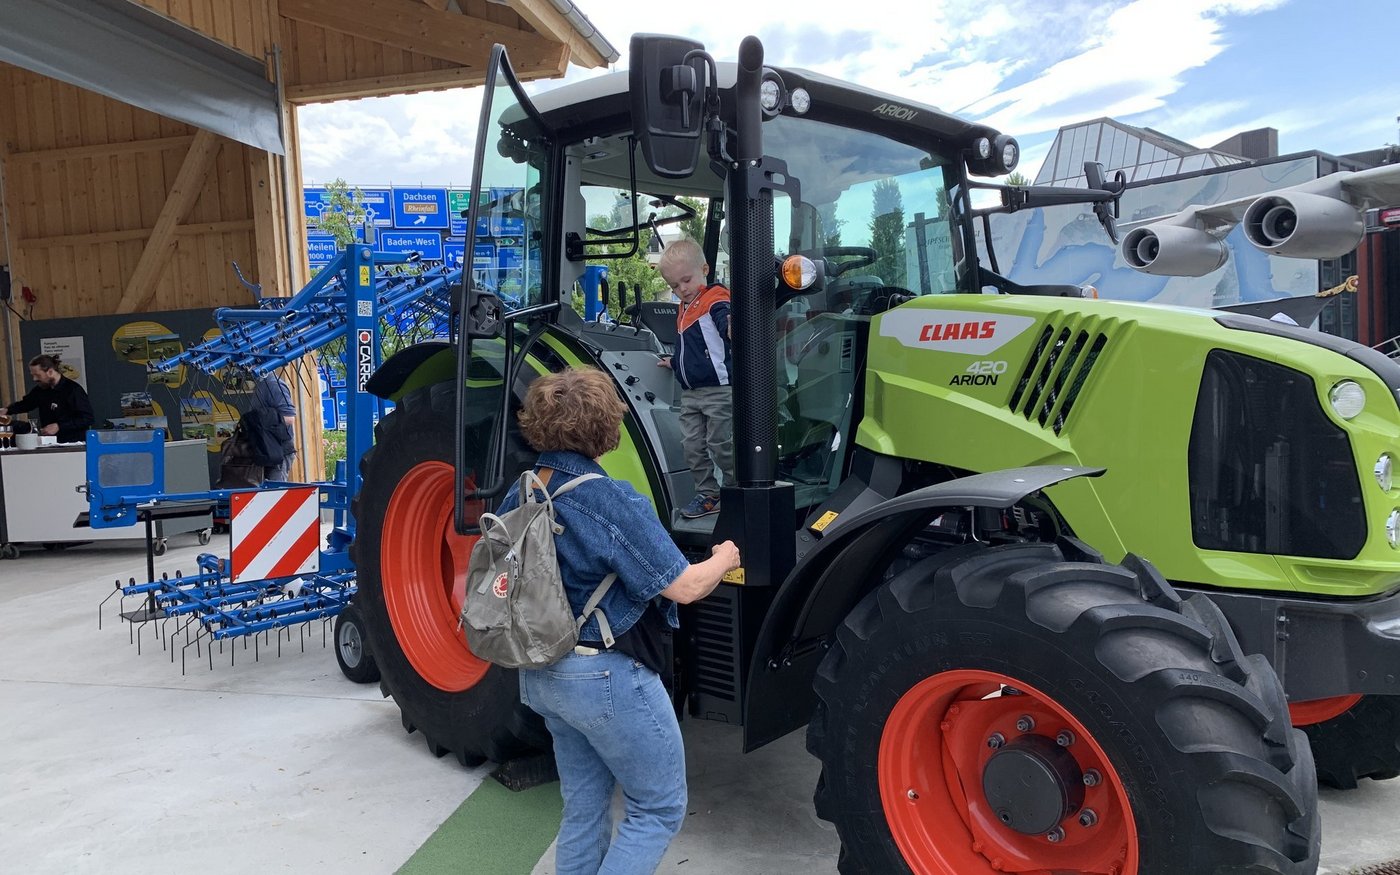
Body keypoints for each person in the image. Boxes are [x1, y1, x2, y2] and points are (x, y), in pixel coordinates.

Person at [502, 367, 741, 875]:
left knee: (584, 808)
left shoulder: (522, 491)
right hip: (603, 676)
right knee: (657, 810)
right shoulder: (609, 499)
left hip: (542, 672)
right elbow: (685, 587)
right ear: (606, 426)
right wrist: (724, 557)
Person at [655, 238, 735, 518]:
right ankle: (709, 493)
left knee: (721, 444)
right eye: (674, 286)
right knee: (691, 446)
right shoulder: (684, 307)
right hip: (690, 393)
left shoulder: (715, 298)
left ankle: (736, 488)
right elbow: (689, 346)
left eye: (686, 280)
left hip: (717, 390)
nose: (682, 289)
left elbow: (724, 320)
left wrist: (731, 326)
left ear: (705, 269)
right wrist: (675, 362)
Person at [0, 354, 95, 443]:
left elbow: (87, 418)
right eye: (33, 375)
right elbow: (27, 404)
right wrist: (7, 410)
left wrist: (59, 426)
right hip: (50, 443)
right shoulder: (40, 390)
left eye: (38, 375)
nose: (34, 379)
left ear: (50, 372)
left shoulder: (73, 390)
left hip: (73, 444)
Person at [248, 373, 297, 481]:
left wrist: (258, 423)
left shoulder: (273, 384)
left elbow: (289, 417)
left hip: (278, 451)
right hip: (266, 450)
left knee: (275, 488)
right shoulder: (263, 383)